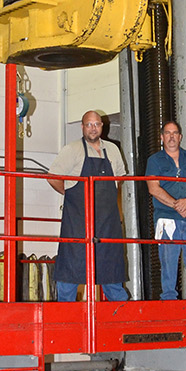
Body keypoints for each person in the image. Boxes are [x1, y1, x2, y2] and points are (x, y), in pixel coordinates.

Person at [48, 110, 128, 301]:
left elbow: (120, 178)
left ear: (102, 126)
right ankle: (65, 314)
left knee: (111, 271)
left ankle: (121, 314)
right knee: (71, 269)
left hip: (108, 222)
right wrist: (70, 195)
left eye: (97, 124)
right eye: (89, 124)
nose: (93, 128)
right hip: (78, 222)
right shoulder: (72, 149)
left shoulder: (113, 150)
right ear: (82, 127)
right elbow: (53, 177)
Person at [145, 120, 186, 300]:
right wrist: (178, 205)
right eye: (167, 133)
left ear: (180, 137)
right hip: (166, 219)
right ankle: (169, 300)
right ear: (161, 137)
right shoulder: (154, 160)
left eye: (174, 133)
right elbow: (153, 188)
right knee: (168, 262)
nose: (171, 136)